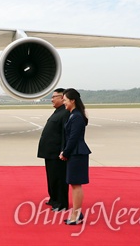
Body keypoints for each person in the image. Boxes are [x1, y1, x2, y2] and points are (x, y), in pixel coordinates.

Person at [59, 88, 92, 225]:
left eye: (65, 100)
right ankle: (77, 212)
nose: (64, 103)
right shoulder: (73, 115)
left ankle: (76, 215)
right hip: (75, 153)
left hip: (77, 153)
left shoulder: (77, 116)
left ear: (72, 101)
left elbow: (73, 138)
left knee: (76, 185)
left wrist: (65, 152)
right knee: (74, 184)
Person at [36, 88, 69, 212]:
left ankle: (61, 203)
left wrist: (63, 151)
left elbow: (65, 134)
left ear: (62, 98)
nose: (52, 100)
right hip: (50, 152)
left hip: (57, 153)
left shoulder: (65, 113)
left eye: (54, 97)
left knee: (59, 178)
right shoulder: (57, 112)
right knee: (51, 178)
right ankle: (54, 199)